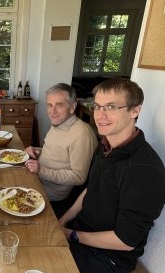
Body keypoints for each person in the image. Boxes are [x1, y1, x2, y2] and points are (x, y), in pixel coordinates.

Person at [59, 78, 165, 273]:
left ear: (135, 111)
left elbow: (125, 241)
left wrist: (72, 235)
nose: (100, 115)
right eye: (97, 106)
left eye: (111, 107)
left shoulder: (144, 170)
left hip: (109, 258)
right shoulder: (107, 143)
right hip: (82, 231)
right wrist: (62, 221)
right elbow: (92, 189)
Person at [24, 83, 98, 217]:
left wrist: (41, 170)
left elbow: (79, 177)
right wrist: (37, 150)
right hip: (36, 180)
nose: (52, 111)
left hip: (50, 197)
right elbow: (58, 152)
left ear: (72, 107)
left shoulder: (82, 134)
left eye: (59, 105)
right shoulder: (59, 123)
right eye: (50, 105)